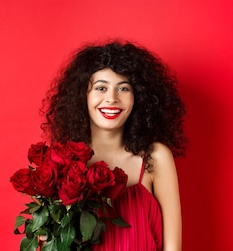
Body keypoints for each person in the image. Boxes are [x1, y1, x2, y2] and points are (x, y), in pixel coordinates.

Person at [40, 40, 185, 251]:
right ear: (83, 95)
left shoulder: (155, 157)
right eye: (101, 88)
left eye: (123, 88)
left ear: (138, 97)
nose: (112, 99)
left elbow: (173, 248)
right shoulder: (64, 161)